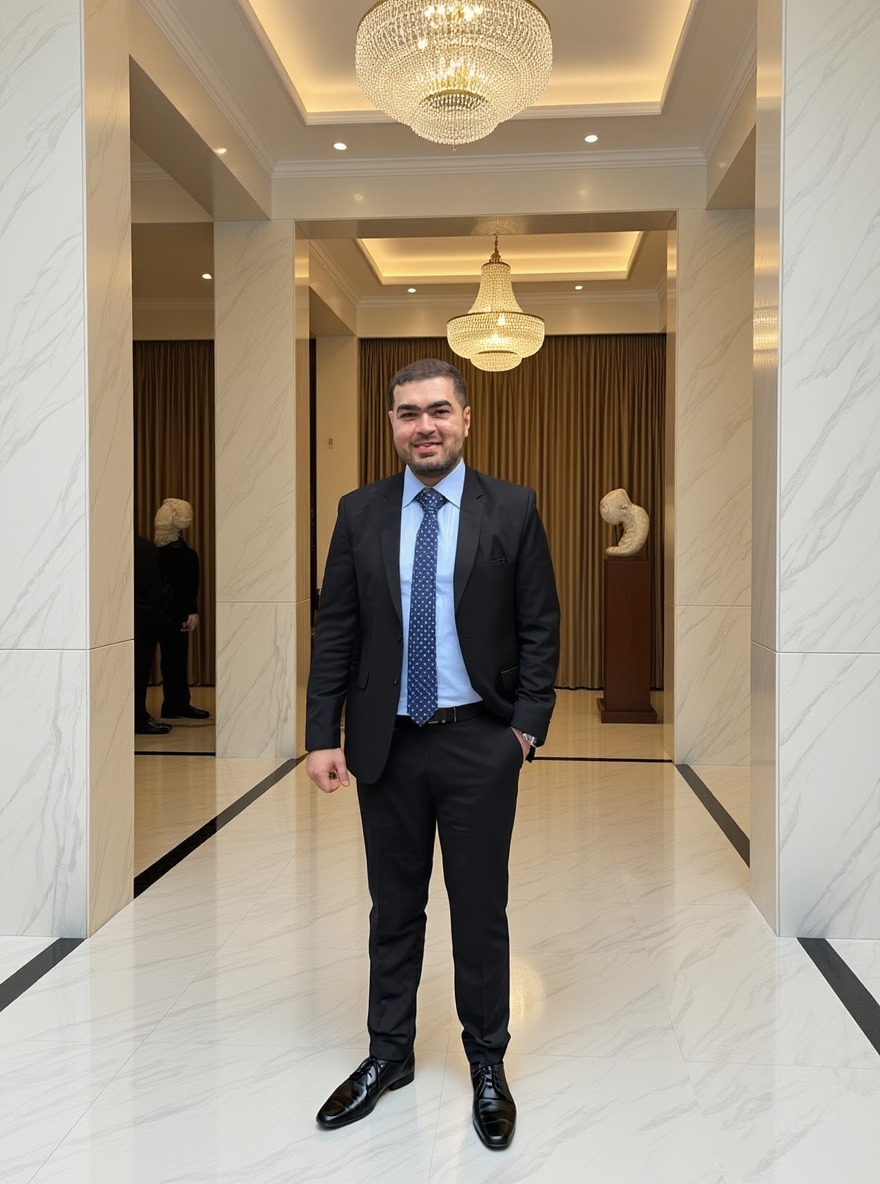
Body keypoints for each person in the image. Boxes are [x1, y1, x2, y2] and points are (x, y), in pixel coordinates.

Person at [305, 357, 560, 1151]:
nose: (425, 426)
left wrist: (524, 729)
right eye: (409, 413)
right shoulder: (359, 512)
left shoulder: (511, 508)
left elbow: (541, 623)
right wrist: (321, 734)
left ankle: (487, 1062)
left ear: (465, 419)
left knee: (480, 910)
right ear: (391, 425)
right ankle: (389, 1055)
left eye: (439, 411)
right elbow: (336, 628)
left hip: (480, 739)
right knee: (394, 909)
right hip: (387, 743)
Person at [154, 498, 210, 720]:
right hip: (173, 612)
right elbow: (185, 587)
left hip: (168, 611)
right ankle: (176, 703)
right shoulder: (179, 554)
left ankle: (175, 703)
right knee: (174, 659)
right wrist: (191, 610)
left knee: (173, 660)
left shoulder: (168, 551)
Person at [133, 534, 172, 736]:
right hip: (143, 621)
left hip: (112, 621)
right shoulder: (144, 548)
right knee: (139, 673)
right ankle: (138, 717)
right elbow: (157, 589)